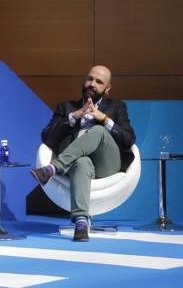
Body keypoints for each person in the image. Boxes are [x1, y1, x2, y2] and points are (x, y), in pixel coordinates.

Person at [30, 65, 136, 242]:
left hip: (106, 164)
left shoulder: (117, 107)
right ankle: (80, 222)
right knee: (83, 162)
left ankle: (52, 169)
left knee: (98, 131)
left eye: (99, 82)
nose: (92, 84)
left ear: (107, 89)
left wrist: (104, 119)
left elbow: (128, 139)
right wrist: (74, 116)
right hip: (75, 164)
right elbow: (47, 138)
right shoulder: (66, 107)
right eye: (90, 79)